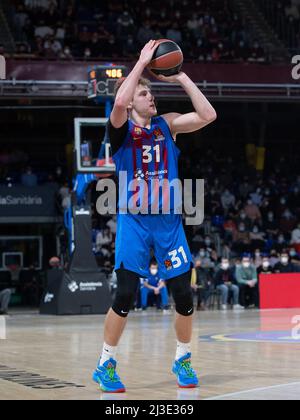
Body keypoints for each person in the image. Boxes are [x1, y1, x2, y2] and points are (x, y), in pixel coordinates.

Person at [93, 40, 217, 393]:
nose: (151, 99)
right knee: (125, 295)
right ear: (133, 100)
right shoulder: (119, 130)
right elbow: (119, 101)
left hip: (168, 222)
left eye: (151, 95)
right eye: (145, 95)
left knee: (184, 295)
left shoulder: (167, 125)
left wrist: (181, 78)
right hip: (134, 221)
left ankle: (183, 358)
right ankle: (106, 363)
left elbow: (208, 116)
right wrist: (142, 62)